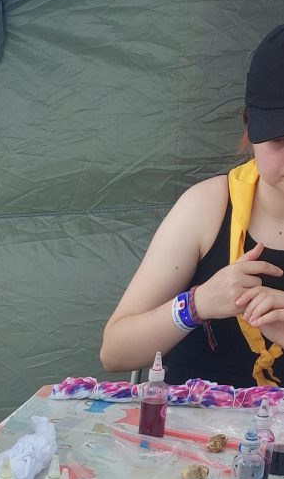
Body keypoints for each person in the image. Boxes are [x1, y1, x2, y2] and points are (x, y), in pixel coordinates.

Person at [100, 24, 284, 388]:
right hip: (195, 438)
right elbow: (115, 352)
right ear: (249, 128)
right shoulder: (208, 208)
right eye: (278, 140)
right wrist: (195, 305)